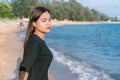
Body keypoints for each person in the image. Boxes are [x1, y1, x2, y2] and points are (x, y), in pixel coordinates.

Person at [19, 6, 53, 80]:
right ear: (34, 23)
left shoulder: (39, 41)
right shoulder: (35, 42)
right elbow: (23, 69)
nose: (48, 23)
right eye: (44, 21)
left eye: (49, 20)